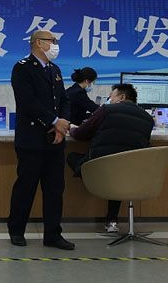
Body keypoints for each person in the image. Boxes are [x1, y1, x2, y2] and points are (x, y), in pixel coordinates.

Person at [7, 30, 74, 250]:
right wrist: (54, 121)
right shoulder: (22, 68)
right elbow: (28, 102)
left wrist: (63, 122)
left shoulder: (55, 69)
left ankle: (53, 234)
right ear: (38, 43)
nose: (55, 45)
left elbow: (64, 100)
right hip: (32, 139)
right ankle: (17, 230)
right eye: (52, 41)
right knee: (26, 187)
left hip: (55, 139)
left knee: (55, 189)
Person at [67, 83, 154, 233]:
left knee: (72, 157)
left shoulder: (106, 110)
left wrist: (72, 129)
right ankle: (111, 221)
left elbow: (81, 134)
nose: (109, 100)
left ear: (122, 97)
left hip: (101, 170)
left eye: (111, 97)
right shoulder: (148, 119)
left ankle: (91, 185)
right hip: (133, 173)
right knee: (119, 169)